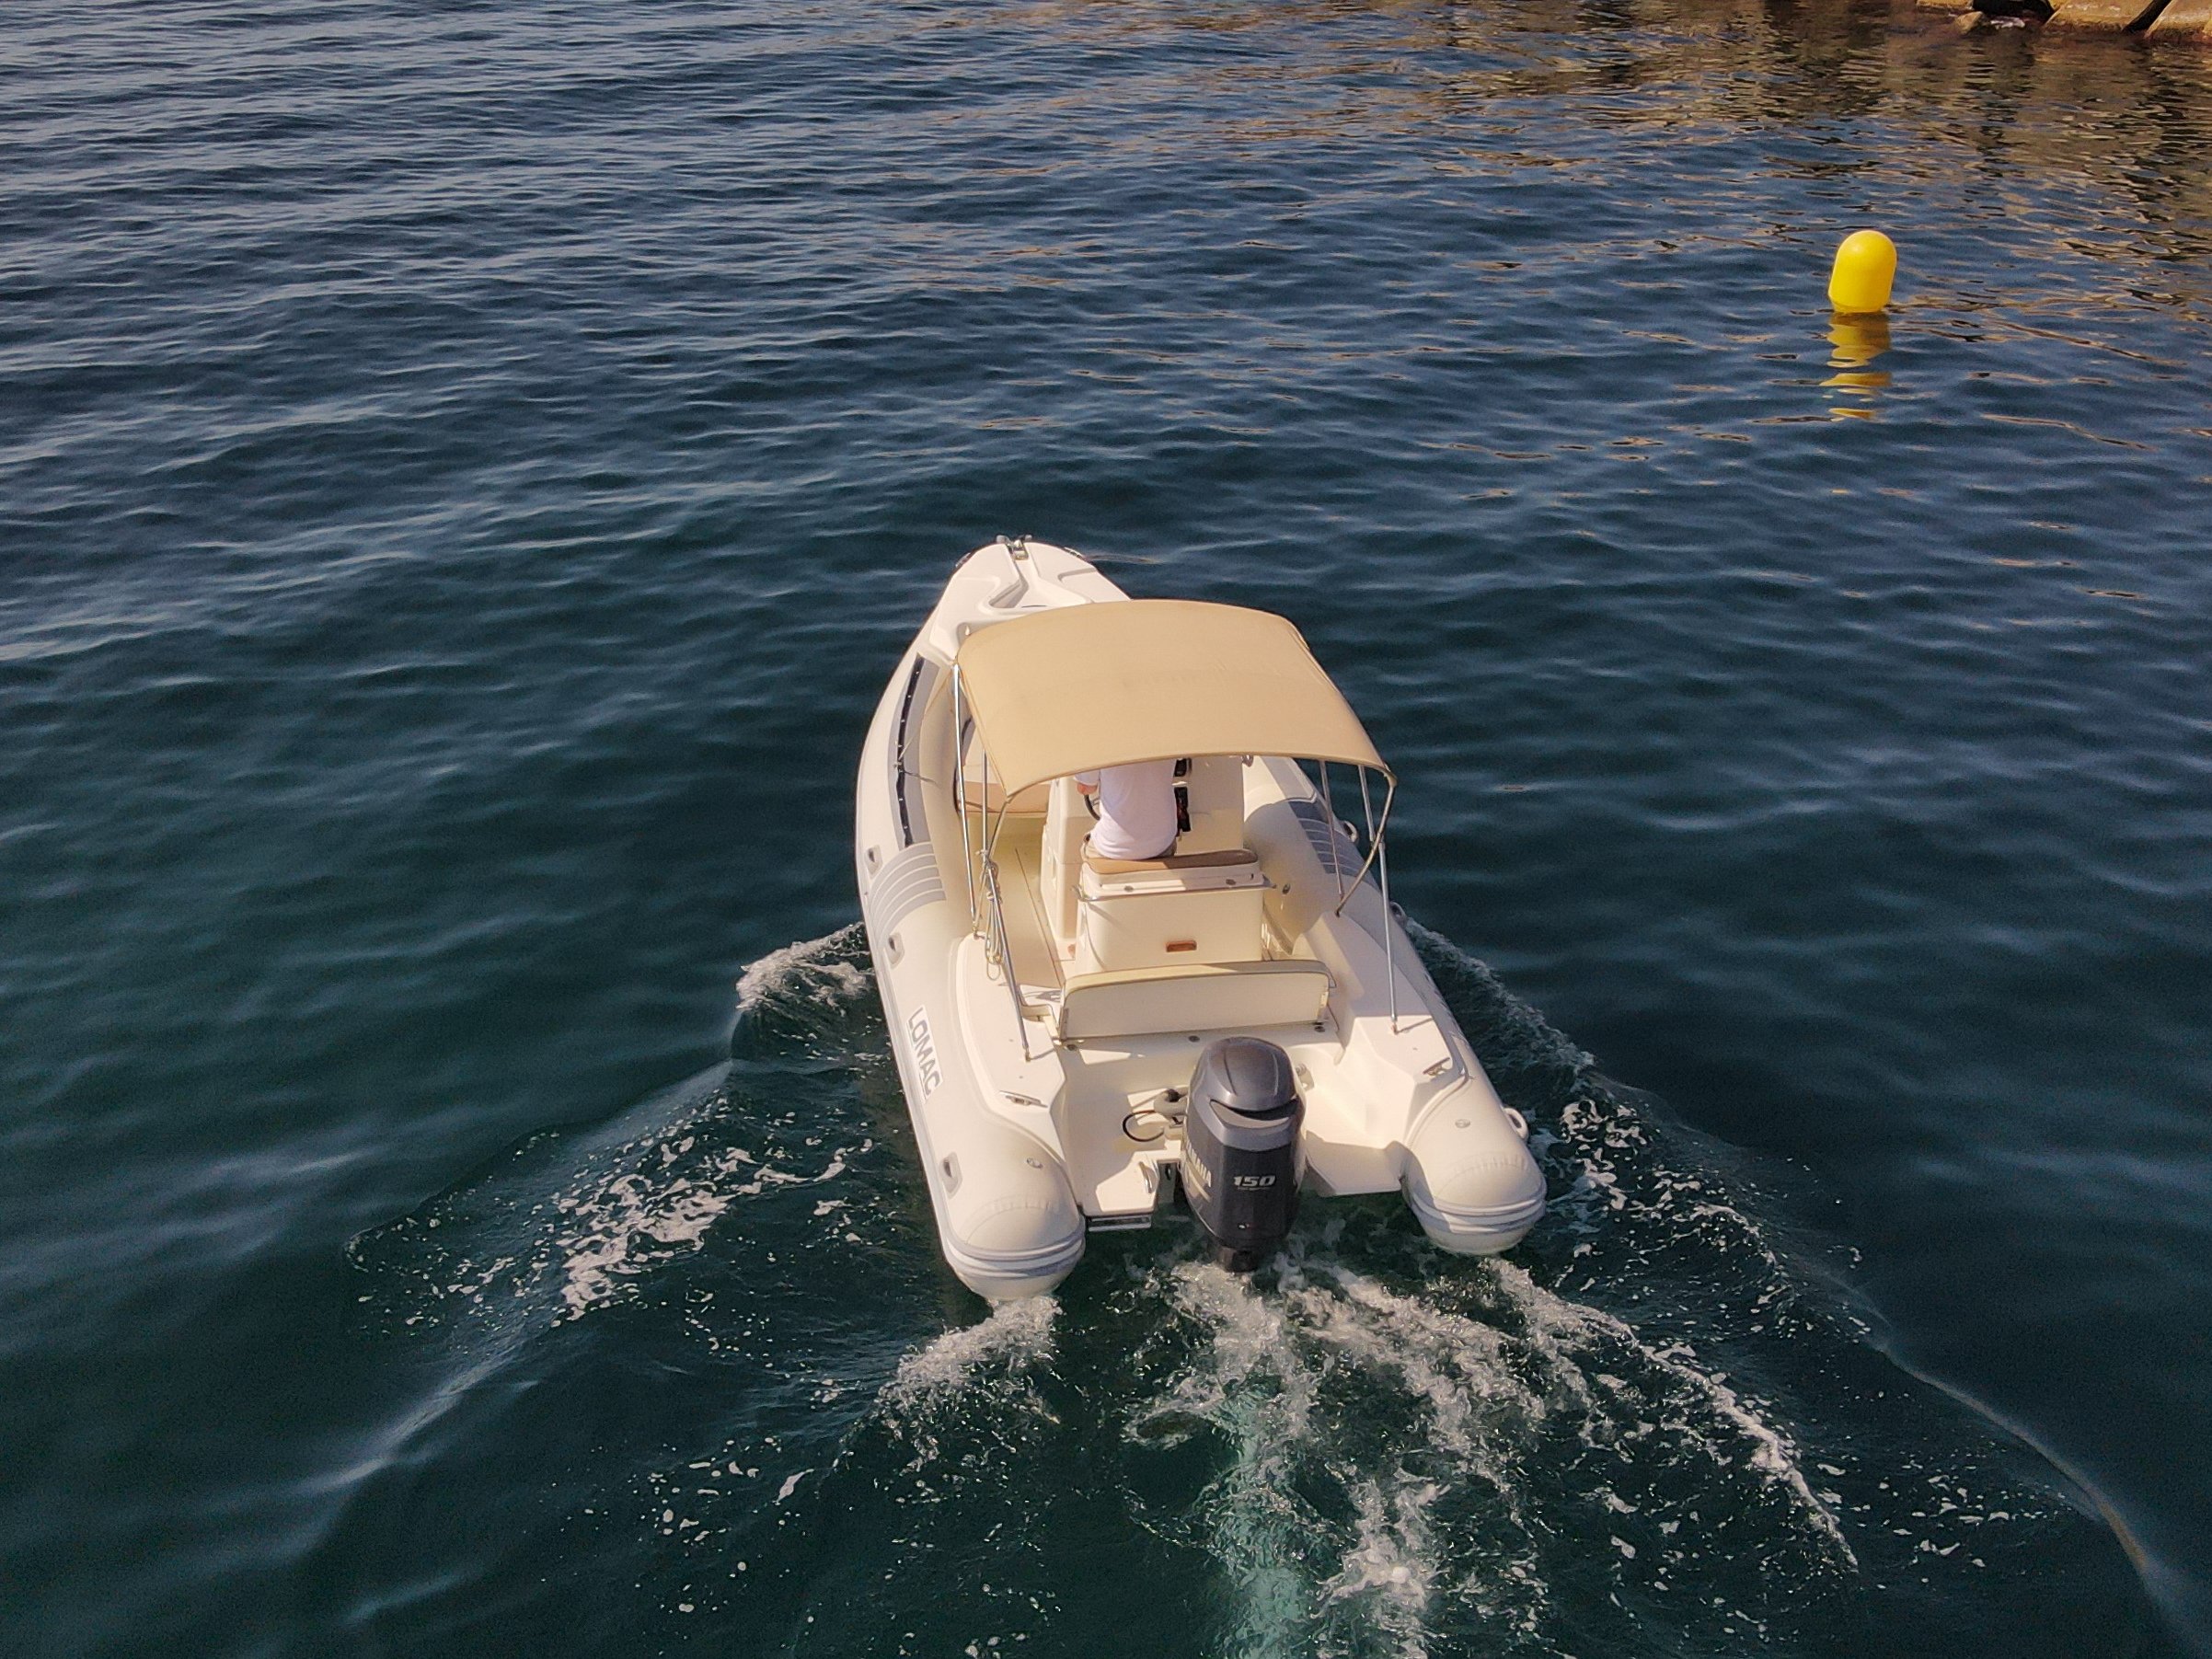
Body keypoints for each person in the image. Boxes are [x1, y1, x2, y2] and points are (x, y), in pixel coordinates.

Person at [1076, 760, 1179, 861]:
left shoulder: (1096, 744)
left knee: (1086, 850)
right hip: (1162, 845)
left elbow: (1085, 789)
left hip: (1111, 847)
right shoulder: (1172, 742)